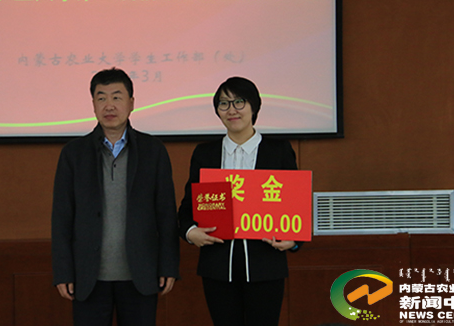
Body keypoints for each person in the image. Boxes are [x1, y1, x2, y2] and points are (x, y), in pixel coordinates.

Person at [52, 68, 180, 326]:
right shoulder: (73, 154)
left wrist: (168, 266)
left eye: (117, 97)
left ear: (131, 103)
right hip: (88, 276)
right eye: (101, 98)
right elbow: (62, 217)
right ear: (93, 104)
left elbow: (166, 213)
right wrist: (63, 271)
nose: (109, 105)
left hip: (140, 274)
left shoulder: (153, 151)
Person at [178, 76, 304, 326]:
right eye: (224, 104)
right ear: (217, 111)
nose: (232, 110)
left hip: (265, 264)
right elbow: (187, 207)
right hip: (217, 266)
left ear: (254, 107)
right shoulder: (205, 154)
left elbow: (295, 205)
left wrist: (294, 240)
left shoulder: (278, 151)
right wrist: (191, 233)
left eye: (239, 102)